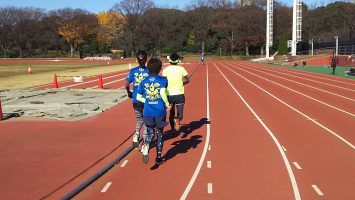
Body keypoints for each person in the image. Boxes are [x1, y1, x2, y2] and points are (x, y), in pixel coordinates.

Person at [136, 58, 170, 165]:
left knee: (150, 133)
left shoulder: (143, 82)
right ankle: (158, 157)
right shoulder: (163, 80)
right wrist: (167, 104)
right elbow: (163, 92)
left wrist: (147, 101)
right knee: (160, 134)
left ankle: (146, 144)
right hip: (159, 111)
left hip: (147, 112)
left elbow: (138, 96)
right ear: (160, 69)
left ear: (148, 69)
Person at [125, 50, 149, 148]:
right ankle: (144, 139)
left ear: (137, 60)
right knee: (148, 120)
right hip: (147, 100)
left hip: (136, 99)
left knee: (139, 119)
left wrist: (129, 92)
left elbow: (126, 84)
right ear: (146, 59)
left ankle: (136, 134)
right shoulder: (149, 71)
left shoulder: (133, 71)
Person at [162, 52, 189, 131]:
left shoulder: (165, 70)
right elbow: (187, 80)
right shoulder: (181, 69)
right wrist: (182, 84)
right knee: (180, 114)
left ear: (169, 60)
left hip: (169, 95)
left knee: (171, 113)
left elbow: (164, 81)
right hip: (179, 95)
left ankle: (172, 129)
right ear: (178, 60)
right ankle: (177, 120)